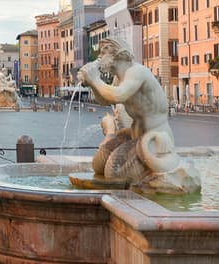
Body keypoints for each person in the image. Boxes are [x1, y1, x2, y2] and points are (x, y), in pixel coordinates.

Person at [77, 38, 188, 182]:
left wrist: (95, 80)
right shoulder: (119, 78)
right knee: (98, 164)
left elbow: (118, 94)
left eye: (104, 52)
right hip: (135, 136)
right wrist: (92, 83)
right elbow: (106, 100)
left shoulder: (137, 72)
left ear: (118, 54)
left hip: (155, 138)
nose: (99, 57)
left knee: (113, 174)